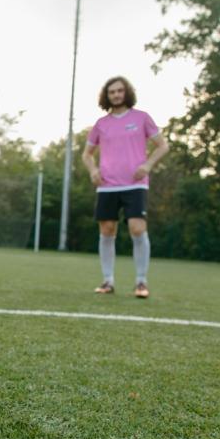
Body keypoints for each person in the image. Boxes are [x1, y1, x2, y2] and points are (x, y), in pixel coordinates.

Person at [81, 76, 169, 299]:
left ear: (126, 92)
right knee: (107, 230)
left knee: (137, 229)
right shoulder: (101, 124)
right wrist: (93, 171)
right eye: (112, 92)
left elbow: (162, 145)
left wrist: (148, 165)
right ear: (106, 96)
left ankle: (141, 282)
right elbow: (87, 154)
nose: (116, 95)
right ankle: (107, 281)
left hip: (135, 184)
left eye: (120, 91)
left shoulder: (142, 118)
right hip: (107, 186)